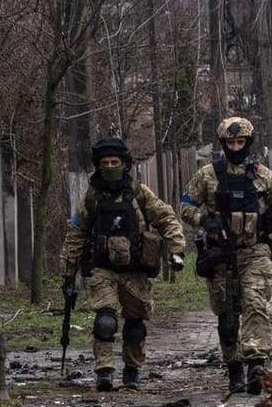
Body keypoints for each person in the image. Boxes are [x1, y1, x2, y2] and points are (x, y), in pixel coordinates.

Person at [179, 116, 272, 396]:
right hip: (221, 255)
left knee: (254, 302)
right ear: (223, 144)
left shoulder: (263, 176)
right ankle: (234, 369)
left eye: (240, 142)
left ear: (248, 144)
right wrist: (205, 221)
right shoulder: (207, 175)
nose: (235, 147)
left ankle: (256, 364)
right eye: (230, 143)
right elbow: (185, 206)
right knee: (227, 318)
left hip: (256, 252)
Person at [59, 136, 186, 392]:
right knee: (105, 321)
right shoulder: (92, 197)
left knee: (135, 326)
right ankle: (104, 371)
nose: (109, 166)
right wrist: (68, 272)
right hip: (102, 269)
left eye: (114, 161)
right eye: (104, 162)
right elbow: (77, 233)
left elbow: (166, 218)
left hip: (135, 270)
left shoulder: (139, 193)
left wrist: (177, 249)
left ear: (124, 163)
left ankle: (132, 370)